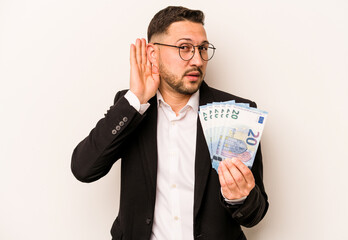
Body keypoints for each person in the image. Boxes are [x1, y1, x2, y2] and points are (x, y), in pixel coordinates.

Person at [71, 6, 268, 240]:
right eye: (184, 48)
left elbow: (255, 214)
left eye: (203, 48)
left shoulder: (236, 113)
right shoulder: (131, 108)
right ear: (153, 54)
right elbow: (84, 169)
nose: (198, 59)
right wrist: (135, 99)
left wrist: (240, 197)